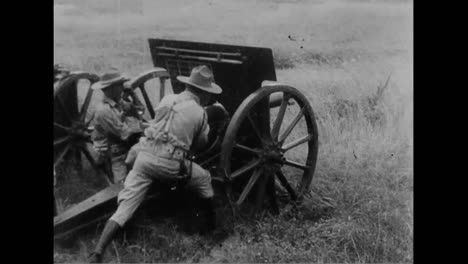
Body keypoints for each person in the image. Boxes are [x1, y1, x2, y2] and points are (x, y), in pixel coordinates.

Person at [88, 65, 223, 263]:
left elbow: (157, 121)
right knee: (203, 178)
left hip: (144, 157)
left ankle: (98, 251)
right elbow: (200, 145)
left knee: (125, 206)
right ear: (204, 93)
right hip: (169, 164)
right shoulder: (200, 113)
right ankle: (212, 229)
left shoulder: (168, 99)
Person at [91, 69, 146, 184]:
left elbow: (140, 112)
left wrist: (132, 93)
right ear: (111, 89)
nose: (123, 87)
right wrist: (149, 130)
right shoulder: (103, 111)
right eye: (120, 84)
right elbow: (125, 134)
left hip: (126, 146)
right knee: (122, 187)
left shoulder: (119, 102)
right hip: (115, 154)